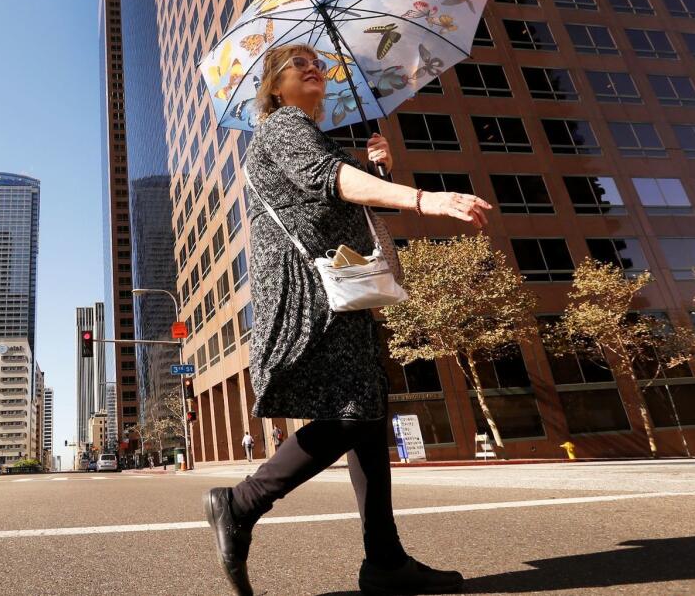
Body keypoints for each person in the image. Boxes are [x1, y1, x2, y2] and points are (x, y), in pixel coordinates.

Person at [203, 43, 490, 596]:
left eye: (319, 64)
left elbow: (350, 192)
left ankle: (385, 562)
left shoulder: (310, 134)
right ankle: (241, 502)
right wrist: (423, 198)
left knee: (366, 409)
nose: (315, 69)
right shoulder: (284, 126)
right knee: (354, 408)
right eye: (298, 65)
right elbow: (326, 179)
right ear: (274, 86)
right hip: (312, 285)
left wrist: (380, 166)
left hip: (340, 282)